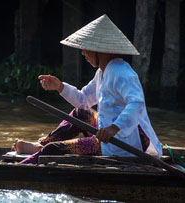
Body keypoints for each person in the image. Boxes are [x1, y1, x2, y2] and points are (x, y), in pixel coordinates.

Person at [12, 14, 162, 164]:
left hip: (126, 144)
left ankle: (21, 168)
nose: (83, 53)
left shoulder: (122, 72)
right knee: (80, 113)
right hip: (108, 135)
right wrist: (60, 87)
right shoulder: (102, 72)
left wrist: (114, 128)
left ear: (99, 50)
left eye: (86, 49)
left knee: (54, 150)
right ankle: (41, 146)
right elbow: (83, 100)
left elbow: (136, 103)